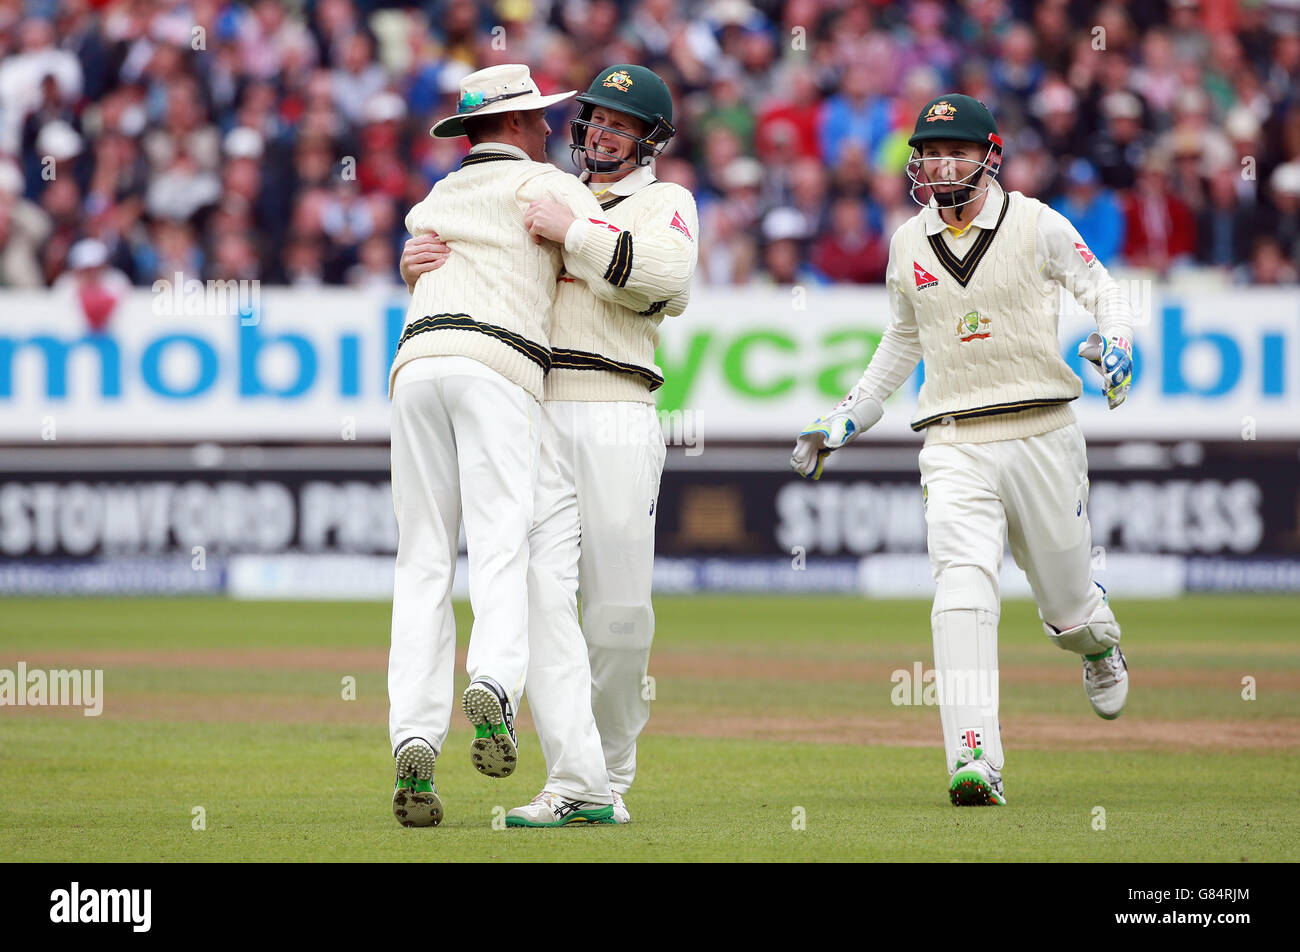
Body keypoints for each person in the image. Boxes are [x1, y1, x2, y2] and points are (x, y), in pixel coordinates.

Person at [789, 94, 1134, 807]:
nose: (941, 164)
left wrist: (1119, 341)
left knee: (1066, 611)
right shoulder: (907, 240)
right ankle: (973, 759)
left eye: (956, 151)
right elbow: (903, 337)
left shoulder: (1035, 222)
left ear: (989, 155)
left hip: (1041, 427)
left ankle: (1097, 642)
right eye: (930, 152)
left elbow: (1103, 288)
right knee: (960, 587)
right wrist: (849, 416)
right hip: (952, 439)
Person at [404, 64, 699, 826]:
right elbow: (468, 269)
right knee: (542, 602)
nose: (599, 132)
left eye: (619, 125)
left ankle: (615, 769)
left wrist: (574, 232)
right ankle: (577, 780)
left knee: (619, 614)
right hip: (531, 408)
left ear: (650, 140)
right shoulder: (525, 190)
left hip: (615, 406)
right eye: (594, 119)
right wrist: (419, 266)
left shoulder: (665, 201)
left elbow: (668, 280)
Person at [389, 64, 620, 828]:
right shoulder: (546, 186)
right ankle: (492, 684)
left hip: (417, 363)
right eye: (542, 118)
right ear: (516, 125)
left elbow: (424, 253)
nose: (553, 128)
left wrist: (404, 265)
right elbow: (615, 259)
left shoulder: (437, 198)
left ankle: (413, 739)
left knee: (422, 557)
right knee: (500, 547)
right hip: (496, 365)